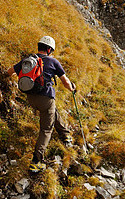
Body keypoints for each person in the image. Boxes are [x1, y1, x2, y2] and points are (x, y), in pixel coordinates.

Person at [5, 35, 76, 172]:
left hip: (31, 98)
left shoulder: (28, 60)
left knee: (52, 112)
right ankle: (36, 161)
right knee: (46, 129)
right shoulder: (53, 62)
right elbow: (65, 81)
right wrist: (72, 88)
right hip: (46, 98)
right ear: (49, 49)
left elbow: (9, 72)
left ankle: (65, 134)